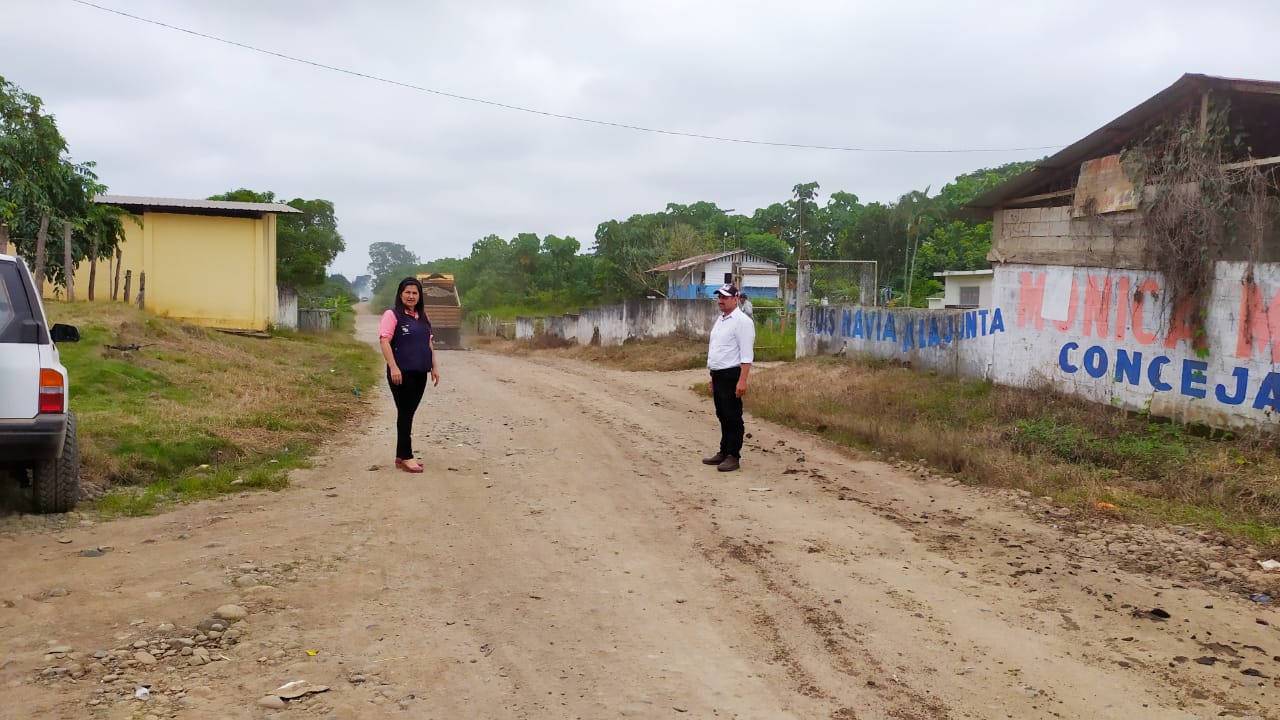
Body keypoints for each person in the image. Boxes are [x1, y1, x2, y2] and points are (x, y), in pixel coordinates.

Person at [378, 277, 440, 473]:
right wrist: (393, 367)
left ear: (419, 296)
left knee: (408, 413)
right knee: (405, 412)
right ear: (400, 294)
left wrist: (434, 367)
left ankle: (401, 455)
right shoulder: (392, 314)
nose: (411, 296)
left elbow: (429, 343)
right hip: (401, 373)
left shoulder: (422, 317)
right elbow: (384, 341)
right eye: (407, 292)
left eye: (415, 293)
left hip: (420, 372)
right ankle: (406, 457)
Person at [703, 283, 755, 472]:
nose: (720, 300)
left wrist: (742, 380)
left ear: (735, 299)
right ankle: (724, 451)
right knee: (722, 414)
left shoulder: (742, 322)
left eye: (725, 297)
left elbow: (746, 355)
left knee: (733, 416)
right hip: (718, 374)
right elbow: (718, 349)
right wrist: (713, 376)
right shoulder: (721, 320)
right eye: (719, 297)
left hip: (732, 374)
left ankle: (733, 455)